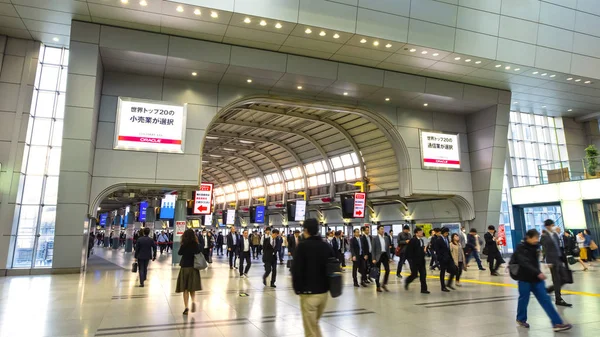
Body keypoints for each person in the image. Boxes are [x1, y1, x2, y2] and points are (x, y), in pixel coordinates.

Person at [511, 229, 572, 332]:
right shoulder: (520, 248)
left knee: (546, 300)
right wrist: (538, 272)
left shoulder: (535, 246)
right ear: (528, 238)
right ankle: (521, 319)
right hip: (524, 278)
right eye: (535, 238)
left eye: (537, 238)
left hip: (536, 279)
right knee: (524, 299)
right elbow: (524, 263)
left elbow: (536, 261)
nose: (536, 240)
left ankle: (557, 323)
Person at [292, 218, 334, 337]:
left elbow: (297, 270)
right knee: (314, 324)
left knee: (310, 331)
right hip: (324, 294)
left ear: (305, 230)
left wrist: (297, 288)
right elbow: (333, 266)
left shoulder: (302, 247)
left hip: (308, 294)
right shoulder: (325, 246)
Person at [540, 220, 572, 307]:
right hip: (552, 261)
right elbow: (545, 249)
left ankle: (550, 289)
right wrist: (548, 261)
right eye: (552, 225)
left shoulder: (555, 235)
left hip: (559, 259)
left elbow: (558, 247)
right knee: (556, 279)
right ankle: (558, 299)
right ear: (547, 226)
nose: (553, 227)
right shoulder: (544, 236)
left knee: (565, 278)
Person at [176, 229, 202, 315]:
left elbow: (179, 253)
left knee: (185, 289)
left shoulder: (184, 244)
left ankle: (186, 307)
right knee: (192, 287)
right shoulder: (195, 244)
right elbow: (199, 252)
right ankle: (193, 301)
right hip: (193, 267)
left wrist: (183, 246)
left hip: (184, 267)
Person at [404, 227, 429, 294]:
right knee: (414, 274)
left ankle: (424, 289)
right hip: (415, 261)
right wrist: (411, 260)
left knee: (423, 275)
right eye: (420, 232)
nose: (421, 233)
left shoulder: (421, 240)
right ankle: (407, 281)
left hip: (421, 260)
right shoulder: (413, 240)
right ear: (416, 233)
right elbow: (409, 251)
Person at [433, 227, 455, 292]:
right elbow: (437, 250)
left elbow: (448, 249)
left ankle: (449, 283)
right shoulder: (438, 239)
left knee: (454, 269)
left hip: (448, 257)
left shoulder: (447, 238)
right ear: (443, 233)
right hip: (442, 259)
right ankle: (443, 286)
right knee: (442, 272)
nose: (447, 234)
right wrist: (441, 258)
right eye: (446, 233)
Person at [371, 225, 392, 292]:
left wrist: (389, 257)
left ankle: (384, 284)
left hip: (385, 255)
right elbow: (373, 249)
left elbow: (388, 249)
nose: (382, 230)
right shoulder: (375, 238)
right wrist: (373, 258)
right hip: (378, 256)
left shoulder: (386, 238)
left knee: (388, 270)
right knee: (378, 271)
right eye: (381, 229)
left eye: (383, 229)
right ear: (378, 230)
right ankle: (378, 286)